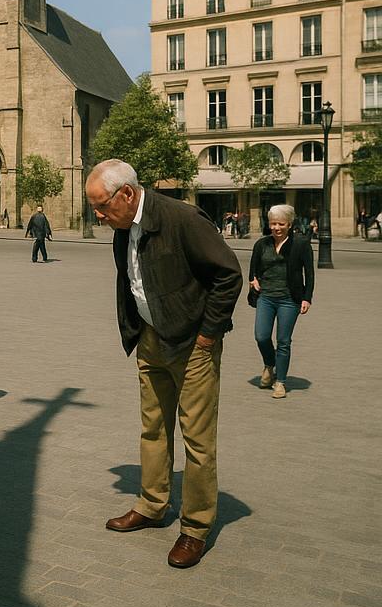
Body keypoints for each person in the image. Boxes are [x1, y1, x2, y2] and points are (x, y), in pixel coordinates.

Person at [85, 159, 242, 569]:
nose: (98, 216)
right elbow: (134, 279)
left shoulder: (182, 218)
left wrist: (209, 334)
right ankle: (153, 505)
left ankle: (194, 527)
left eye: (102, 206)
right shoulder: (123, 228)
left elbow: (228, 274)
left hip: (193, 344)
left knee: (197, 440)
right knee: (153, 427)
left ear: (128, 194)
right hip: (152, 339)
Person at [249, 204, 314, 400]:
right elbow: (253, 269)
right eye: (273, 223)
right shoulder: (262, 244)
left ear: (289, 224)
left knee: (284, 341)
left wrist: (307, 298)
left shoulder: (301, 244)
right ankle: (270, 364)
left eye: (281, 224)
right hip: (266, 297)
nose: (276, 228)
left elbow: (309, 274)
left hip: (289, 299)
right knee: (261, 336)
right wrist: (253, 279)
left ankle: (280, 382)